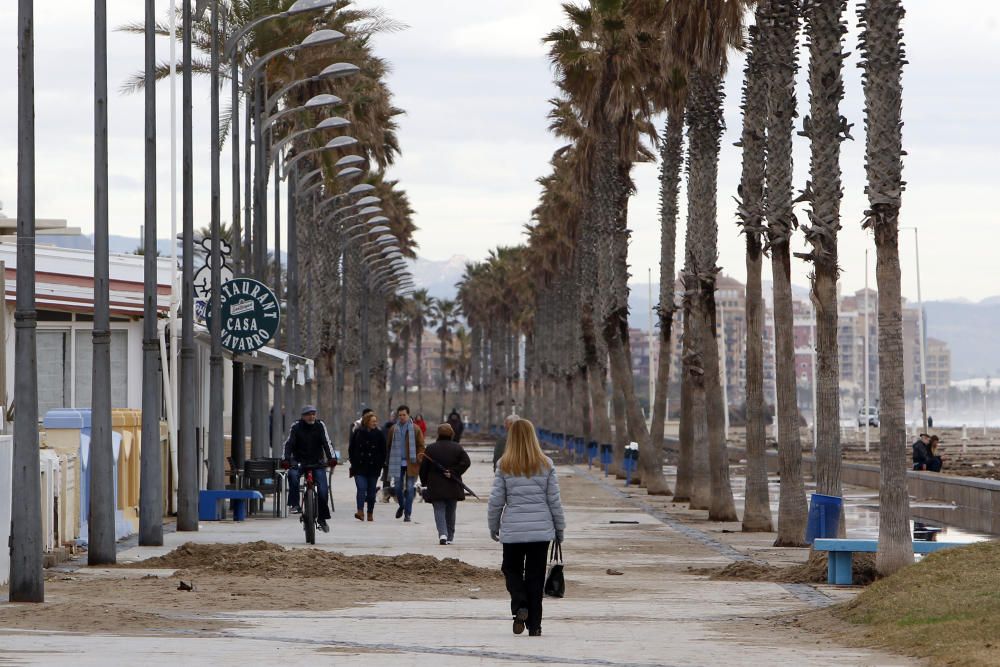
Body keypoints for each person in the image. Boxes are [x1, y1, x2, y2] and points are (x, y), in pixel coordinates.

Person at [488, 418, 566, 638]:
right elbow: (555, 502)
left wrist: (493, 526)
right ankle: (535, 625)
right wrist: (559, 530)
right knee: (535, 576)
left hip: (513, 530)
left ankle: (520, 603)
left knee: (510, 568)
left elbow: (496, 501)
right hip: (541, 532)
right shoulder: (546, 465)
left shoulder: (504, 465)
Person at [282, 405, 336, 532]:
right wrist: (286, 460)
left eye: (313, 414)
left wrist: (331, 458)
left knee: (323, 490)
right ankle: (295, 504)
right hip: (299, 462)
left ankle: (322, 519)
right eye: (308, 414)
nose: (312, 416)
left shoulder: (320, 425)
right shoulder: (296, 426)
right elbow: (288, 444)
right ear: (303, 416)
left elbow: (327, 442)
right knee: (293, 475)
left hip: (317, 462)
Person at [419, 423, 471, 545]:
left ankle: (442, 534)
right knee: (451, 511)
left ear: (438, 434)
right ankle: (450, 537)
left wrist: (424, 482)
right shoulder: (457, 448)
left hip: (435, 484)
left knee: (439, 509)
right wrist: (454, 471)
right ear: (451, 434)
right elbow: (466, 462)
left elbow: (424, 467)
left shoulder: (431, 448)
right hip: (452, 484)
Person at [385, 405, 426, 522]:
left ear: (408, 415)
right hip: (396, 462)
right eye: (400, 415)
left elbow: (421, 446)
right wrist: (387, 460)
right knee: (397, 487)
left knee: (409, 488)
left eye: (404, 415)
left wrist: (419, 457)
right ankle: (402, 506)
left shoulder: (416, 428)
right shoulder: (393, 429)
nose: (402, 417)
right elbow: (388, 446)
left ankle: (407, 513)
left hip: (411, 463)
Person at [349, 411, 387, 522]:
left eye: (376, 421)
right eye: (373, 421)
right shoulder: (358, 432)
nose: (375, 423)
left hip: (373, 467)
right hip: (359, 467)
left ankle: (370, 513)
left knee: (371, 492)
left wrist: (380, 463)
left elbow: (383, 451)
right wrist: (353, 462)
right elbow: (351, 448)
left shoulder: (379, 434)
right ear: (366, 422)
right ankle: (360, 511)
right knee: (361, 489)